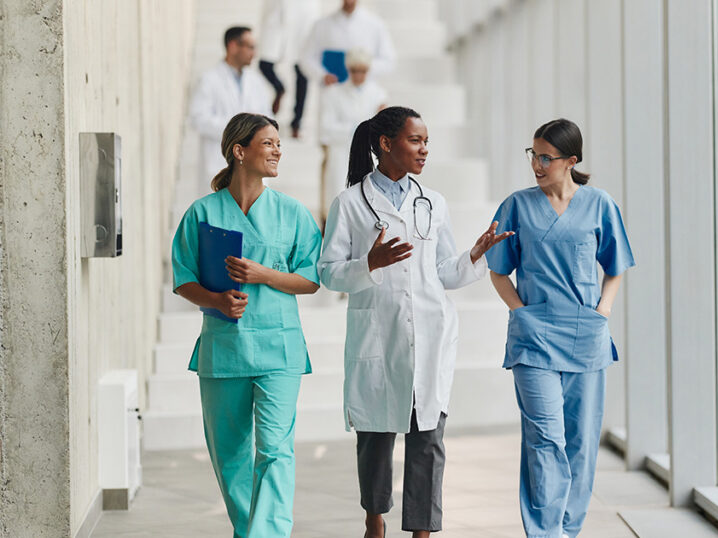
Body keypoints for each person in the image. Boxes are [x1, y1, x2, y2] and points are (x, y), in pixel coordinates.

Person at [317, 106, 512, 538]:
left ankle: (423, 531)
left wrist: (474, 256)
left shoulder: (433, 202)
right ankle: (374, 517)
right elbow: (328, 273)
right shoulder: (350, 203)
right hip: (378, 336)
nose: (424, 150)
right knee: (375, 439)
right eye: (415, 141)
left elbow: (443, 272)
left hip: (430, 335)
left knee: (428, 440)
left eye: (426, 142)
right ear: (386, 144)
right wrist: (369, 263)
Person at [171, 113, 322, 537]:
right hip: (224, 349)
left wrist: (263, 275)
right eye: (269, 143)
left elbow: (311, 279)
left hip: (280, 349)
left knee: (275, 451)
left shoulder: (292, 213)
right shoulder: (202, 213)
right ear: (240, 151)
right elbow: (183, 277)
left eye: (279, 144)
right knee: (230, 458)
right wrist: (215, 299)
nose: (278, 150)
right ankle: (249, 531)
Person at [485, 119, 635, 538]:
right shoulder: (516, 205)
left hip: (586, 337)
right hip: (533, 341)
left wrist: (603, 312)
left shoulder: (599, 204)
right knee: (545, 439)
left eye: (546, 157)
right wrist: (522, 314)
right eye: (533, 154)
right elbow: (498, 272)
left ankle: (569, 529)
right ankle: (546, 533)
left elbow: (616, 266)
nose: (536, 163)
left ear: (571, 161)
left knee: (581, 443)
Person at [189, 27, 272, 193]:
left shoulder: (256, 82)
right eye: (250, 47)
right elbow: (198, 118)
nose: (254, 53)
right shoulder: (209, 79)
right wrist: (239, 131)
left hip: (253, 167)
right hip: (218, 165)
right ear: (233, 46)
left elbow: (268, 120)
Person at [318, 48, 387, 225]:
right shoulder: (333, 93)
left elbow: (382, 127)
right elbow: (326, 128)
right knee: (339, 195)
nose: (358, 75)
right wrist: (355, 129)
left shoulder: (378, 94)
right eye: (354, 71)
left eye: (362, 71)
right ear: (348, 70)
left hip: (369, 152)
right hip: (340, 151)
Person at [300, 0, 396, 123]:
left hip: (363, 95)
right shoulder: (322, 25)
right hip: (333, 91)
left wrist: (363, 69)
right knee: (331, 131)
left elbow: (388, 60)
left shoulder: (375, 24)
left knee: (363, 133)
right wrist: (322, 75)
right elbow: (306, 57)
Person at [258, 0, 320, 135]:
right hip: (277, 14)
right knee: (264, 64)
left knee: (302, 71)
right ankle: (279, 87)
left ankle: (297, 122)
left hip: (303, 19)